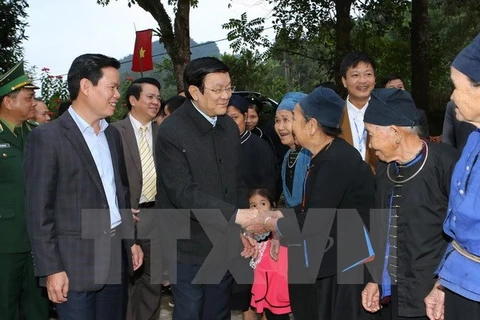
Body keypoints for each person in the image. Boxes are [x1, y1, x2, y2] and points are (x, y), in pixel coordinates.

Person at [24, 53, 143, 320]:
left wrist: (130, 241)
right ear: (86, 87)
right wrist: (51, 269)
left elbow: (119, 193)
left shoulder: (112, 134)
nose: (117, 94)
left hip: (114, 256)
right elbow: (38, 212)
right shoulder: (47, 138)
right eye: (111, 87)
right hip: (72, 263)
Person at [245, 87, 375, 320]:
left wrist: (269, 223)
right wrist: (279, 221)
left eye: (293, 118)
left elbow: (314, 222)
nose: (288, 125)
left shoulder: (335, 162)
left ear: (312, 125)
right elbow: (311, 207)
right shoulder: (324, 154)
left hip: (343, 269)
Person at [155, 57, 259, 320]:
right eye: (217, 89)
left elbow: (236, 182)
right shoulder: (172, 130)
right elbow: (182, 193)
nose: (226, 96)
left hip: (222, 242)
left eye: (229, 87)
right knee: (190, 312)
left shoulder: (227, 126)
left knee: (218, 312)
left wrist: (241, 229)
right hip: (187, 246)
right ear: (194, 91)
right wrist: (236, 215)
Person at [360, 88, 459, 320]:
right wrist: (375, 279)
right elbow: (380, 229)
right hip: (393, 295)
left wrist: (443, 284)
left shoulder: (447, 163)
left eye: (371, 134)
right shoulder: (385, 170)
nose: (370, 144)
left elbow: (464, 234)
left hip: (432, 297)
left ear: (395, 132)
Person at [424, 32, 480, 320]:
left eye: (456, 87)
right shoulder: (473, 141)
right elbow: (459, 231)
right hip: (462, 284)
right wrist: (443, 283)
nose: (451, 96)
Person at [0, 61, 49, 319]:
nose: (34, 103)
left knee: (38, 307)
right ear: (8, 102)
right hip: (5, 241)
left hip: (37, 240)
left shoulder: (38, 134)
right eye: (29, 98)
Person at [112, 77, 162, 320]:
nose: (156, 102)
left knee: (153, 281)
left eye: (158, 98)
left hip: (157, 215)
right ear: (133, 100)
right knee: (128, 280)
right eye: (150, 97)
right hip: (126, 216)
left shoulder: (164, 134)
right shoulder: (113, 133)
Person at [249, 188, 290, 320]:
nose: (259, 209)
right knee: (266, 311)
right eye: (253, 205)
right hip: (262, 280)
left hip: (277, 282)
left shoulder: (278, 222)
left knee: (278, 314)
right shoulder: (249, 227)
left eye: (263, 203)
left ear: (272, 205)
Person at [227, 95, 277, 195]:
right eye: (225, 118)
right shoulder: (215, 143)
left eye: (235, 117)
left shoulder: (260, 147)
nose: (229, 123)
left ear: (245, 117)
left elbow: (269, 184)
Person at [339, 51, 379, 172]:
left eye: (368, 74)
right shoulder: (334, 115)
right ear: (344, 81)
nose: (362, 81)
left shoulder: (386, 113)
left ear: (374, 79)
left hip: (380, 186)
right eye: (355, 75)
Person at [274, 92, 310, 208]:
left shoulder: (312, 155)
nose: (280, 127)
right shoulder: (287, 156)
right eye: (277, 121)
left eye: (286, 120)